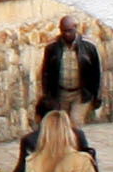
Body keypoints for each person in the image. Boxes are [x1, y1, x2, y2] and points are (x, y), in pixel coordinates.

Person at [33, 15, 105, 163]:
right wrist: (47, 95)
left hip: (80, 93)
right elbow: (46, 72)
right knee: (60, 126)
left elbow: (96, 72)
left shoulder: (88, 47)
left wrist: (96, 96)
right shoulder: (53, 48)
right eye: (64, 31)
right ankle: (61, 156)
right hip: (60, 93)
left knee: (74, 125)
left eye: (69, 31)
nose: (67, 34)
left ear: (76, 29)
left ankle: (74, 158)